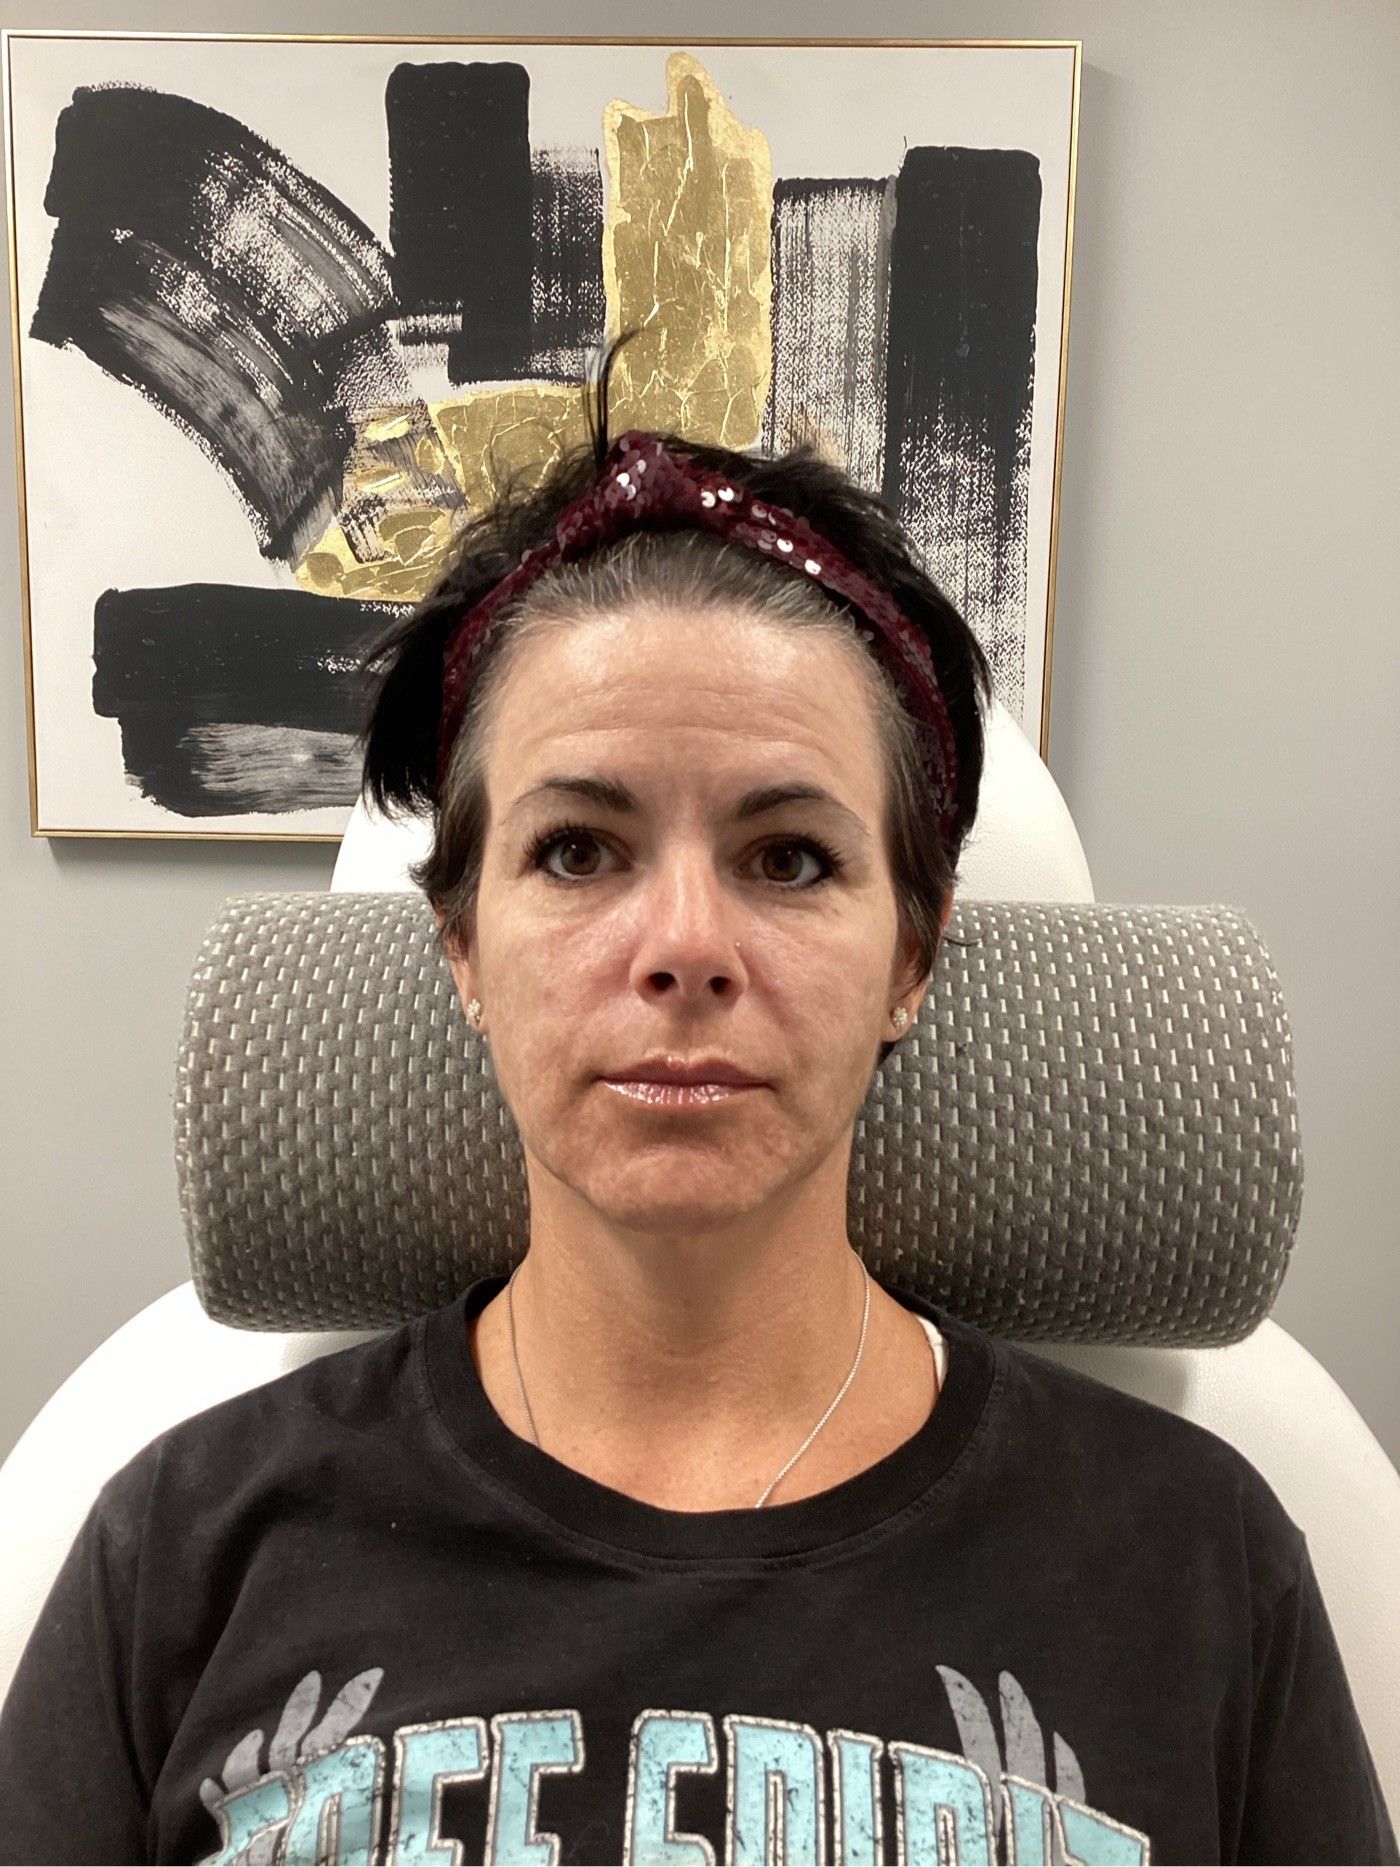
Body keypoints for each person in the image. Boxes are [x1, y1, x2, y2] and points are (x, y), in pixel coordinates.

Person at [0, 331, 1394, 1864]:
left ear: (911, 960)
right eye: (579, 851)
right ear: (462, 946)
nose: (683, 948)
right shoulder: (185, 1550)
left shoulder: (1195, 1560)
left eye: (789, 858)